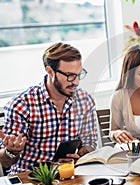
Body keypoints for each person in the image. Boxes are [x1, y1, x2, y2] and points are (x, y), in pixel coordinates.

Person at [0, 42, 99, 174]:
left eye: (79, 74)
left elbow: (90, 143)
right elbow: (5, 162)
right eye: (69, 75)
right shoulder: (22, 105)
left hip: (67, 173)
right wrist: (11, 151)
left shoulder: (85, 100)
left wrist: (78, 156)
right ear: (50, 71)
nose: (76, 82)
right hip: (30, 178)